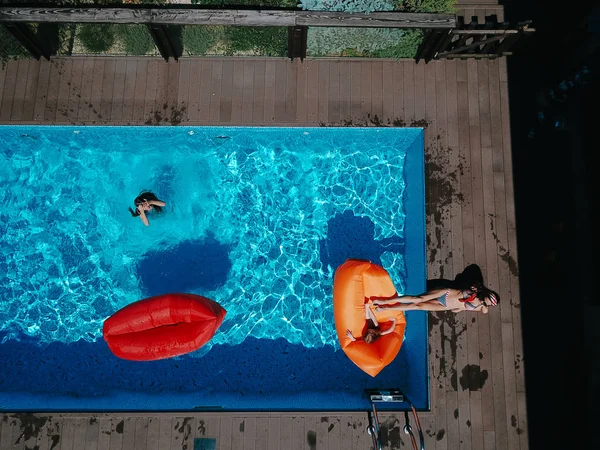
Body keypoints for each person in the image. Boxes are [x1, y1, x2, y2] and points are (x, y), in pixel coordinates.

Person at [373, 285, 499, 314]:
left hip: (444, 306)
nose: (487, 304)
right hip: (446, 293)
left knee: (416, 307)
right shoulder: (475, 289)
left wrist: (459, 309)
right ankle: (384, 301)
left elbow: (484, 310)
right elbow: (468, 294)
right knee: (418, 299)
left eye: (488, 304)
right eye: (488, 300)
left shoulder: (481, 307)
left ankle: (385, 308)